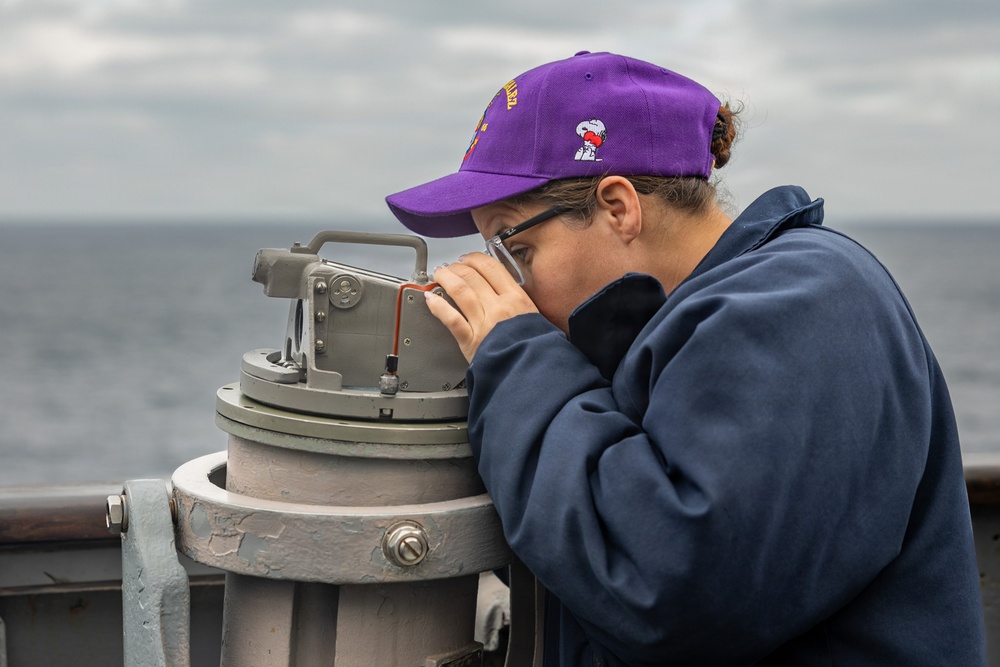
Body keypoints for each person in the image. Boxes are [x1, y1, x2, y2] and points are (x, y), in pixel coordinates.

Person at [385, 51, 986, 666]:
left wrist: (517, 361)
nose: (512, 288)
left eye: (517, 248)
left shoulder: (804, 302)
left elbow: (665, 591)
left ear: (619, 206)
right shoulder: (675, 325)